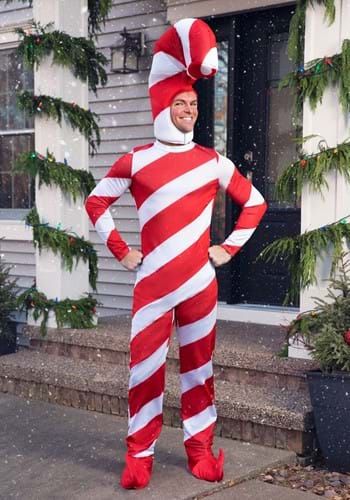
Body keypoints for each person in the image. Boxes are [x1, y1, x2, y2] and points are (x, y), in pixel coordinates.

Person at [85, 18, 267, 490]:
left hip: (199, 285)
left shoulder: (212, 161)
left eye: (192, 103)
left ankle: (200, 450)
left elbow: (255, 203)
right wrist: (123, 251)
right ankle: (139, 455)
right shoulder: (137, 160)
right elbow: (96, 200)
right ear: (164, 106)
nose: (189, 109)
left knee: (199, 371)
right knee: (144, 370)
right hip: (152, 286)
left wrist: (227, 249)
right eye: (180, 103)